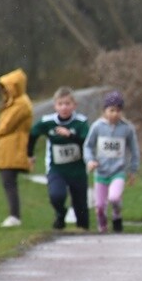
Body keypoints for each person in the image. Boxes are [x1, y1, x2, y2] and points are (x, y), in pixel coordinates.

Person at [28, 86, 91, 231]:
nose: (64, 107)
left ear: (74, 105)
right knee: (56, 195)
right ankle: (60, 213)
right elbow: (31, 135)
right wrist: (30, 155)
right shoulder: (47, 122)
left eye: (67, 104)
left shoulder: (81, 122)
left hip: (78, 170)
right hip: (56, 169)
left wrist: (70, 135)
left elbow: (87, 141)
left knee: (81, 207)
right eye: (60, 104)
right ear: (55, 105)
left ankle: (85, 233)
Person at [84, 91, 140, 233]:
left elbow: (134, 150)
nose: (115, 114)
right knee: (100, 206)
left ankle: (117, 215)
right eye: (111, 110)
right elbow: (88, 146)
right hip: (101, 172)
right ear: (104, 111)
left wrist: (133, 170)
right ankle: (102, 226)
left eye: (118, 110)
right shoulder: (97, 127)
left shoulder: (127, 128)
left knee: (114, 198)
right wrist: (90, 161)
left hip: (118, 171)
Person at [0, 68, 33, 228]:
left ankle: (15, 216)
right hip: (6, 148)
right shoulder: (12, 103)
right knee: (7, 182)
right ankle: (13, 215)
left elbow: (6, 126)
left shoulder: (21, 105)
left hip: (13, 148)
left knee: (9, 182)